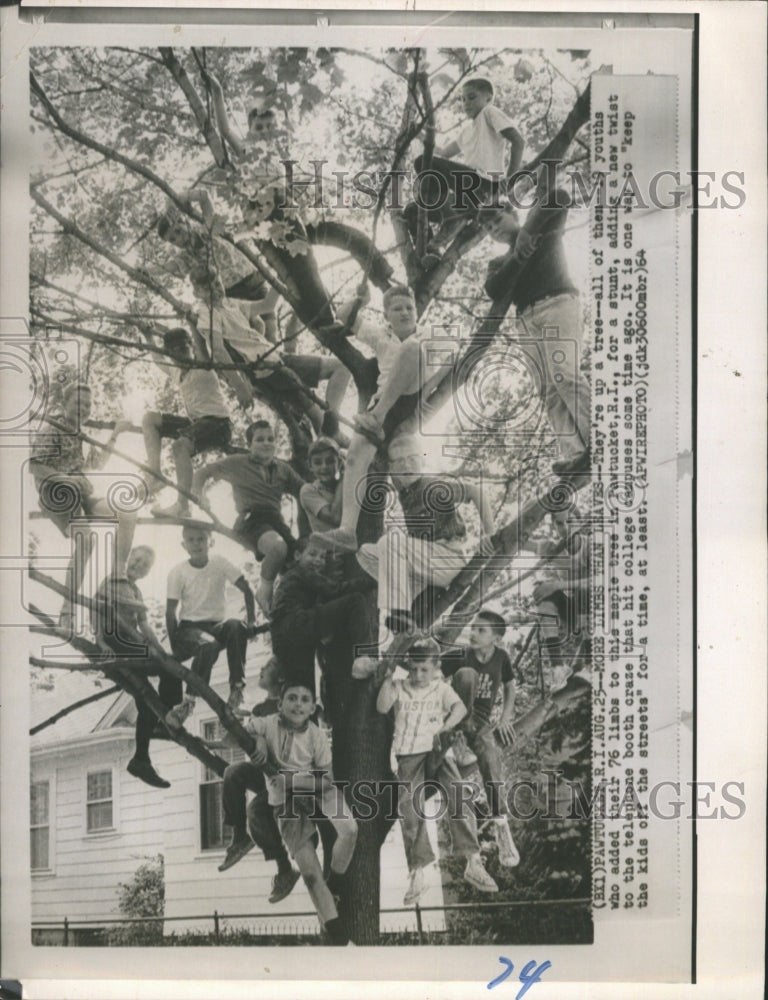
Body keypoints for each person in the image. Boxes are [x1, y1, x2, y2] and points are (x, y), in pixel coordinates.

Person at [323, 285, 454, 551]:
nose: (405, 312)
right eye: (398, 308)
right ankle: (347, 530)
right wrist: (359, 300)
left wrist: (428, 389)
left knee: (413, 349)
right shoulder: (381, 335)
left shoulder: (429, 334)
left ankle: (377, 418)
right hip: (381, 403)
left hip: (409, 396)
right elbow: (342, 314)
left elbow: (453, 354)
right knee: (355, 456)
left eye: (410, 307)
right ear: (387, 314)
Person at [376, 636, 499, 905]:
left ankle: (473, 860)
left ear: (435, 667)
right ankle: (417, 871)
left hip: (436, 747)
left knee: (457, 792)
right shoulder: (399, 685)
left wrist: (445, 729)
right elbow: (382, 706)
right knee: (409, 805)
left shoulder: (441, 688)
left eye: (425, 669)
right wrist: (389, 675)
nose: (419, 675)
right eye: (415, 668)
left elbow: (460, 708)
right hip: (407, 753)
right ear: (408, 665)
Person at [212, 655, 337, 902]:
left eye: (266, 667)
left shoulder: (301, 709)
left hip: (293, 781)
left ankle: (284, 867)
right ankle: (240, 836)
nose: (260, 669)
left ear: (279, 678)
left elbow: (312, 739)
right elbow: (245, 735)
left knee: (256, 812)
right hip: (266, 775)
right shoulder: (259, 710)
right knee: (232, 772)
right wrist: (254, 738)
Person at [484, 183, 590, 477]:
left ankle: (602, 439)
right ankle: (576, 455)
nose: (493, 228)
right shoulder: (499, 261)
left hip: (557, 303)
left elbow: (561, 197)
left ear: (512, 214)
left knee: (566, 375)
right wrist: (517, 255)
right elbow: (493, 288)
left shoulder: (542, 228)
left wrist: (528, 232)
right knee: (548, 390)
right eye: (488, 227)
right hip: (526, 321)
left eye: (497, 219)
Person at [243, 680, 358, 945]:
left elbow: (328, 780)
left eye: (305, 699)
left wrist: (293, 780)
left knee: (350, 829)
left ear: (312, 707)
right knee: (309, 874)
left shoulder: (316, 735)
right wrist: (258, 740)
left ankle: (336, 885)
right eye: (292, 698)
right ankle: (340, 940)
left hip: (314, 787)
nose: (298, 704)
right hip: (286, 800)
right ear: (280, 704)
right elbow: (243, 730)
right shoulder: (269, 722)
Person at [356, 435, 495, 637]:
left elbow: (475, 491)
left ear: (422, 461)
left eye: (412, 458)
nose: (407, 465)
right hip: (427, 563)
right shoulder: (405, 491)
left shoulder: (430, 485)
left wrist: (489, 533)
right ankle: (415, 592)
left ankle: (400, 611)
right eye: (400, 462)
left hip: (448, 557)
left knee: (390, 542)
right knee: (365, 552)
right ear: (393, 469)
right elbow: (391, 466)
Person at [30, 381, 136, 627]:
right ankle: (68, 609)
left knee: (127, 512)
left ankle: (119, 579)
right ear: (65, 404)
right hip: (56, 490)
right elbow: (34, 465)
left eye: (88, 404)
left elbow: (96, 465)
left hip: (80, 493)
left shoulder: (81, 436)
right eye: (78, 402)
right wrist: (67, 479)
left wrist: (115, 434)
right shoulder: (53, 429)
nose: (84, 408)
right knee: (87, 541)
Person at [191, 419, 307, 614]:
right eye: (259, 439)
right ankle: (264, 591)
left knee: (300, 563)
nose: (266, 443)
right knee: (278, 548)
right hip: (251, 519)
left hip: (275, 521)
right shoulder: (237, 462)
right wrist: (199, 494)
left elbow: (305, 490)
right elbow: (202, 473)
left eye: (270, 439)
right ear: (249, 445)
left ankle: (288, 609)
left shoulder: (282, 469)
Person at [91, 546, 181, 789]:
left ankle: (141, 759)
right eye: (137, 560)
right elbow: (96, 610)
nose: (139, 566)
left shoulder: (137, 591)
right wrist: (100, 642)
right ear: (128, 557)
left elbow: (144, 626)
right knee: (160, 679)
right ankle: (163, 722)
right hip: (113, 640)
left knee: (150, 699)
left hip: (131, 643)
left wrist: (162, 652)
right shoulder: (112, 580)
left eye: (145, 565)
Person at [404, 77, 524, 257]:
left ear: (488, 98)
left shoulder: (489, 113)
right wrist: (420, 135)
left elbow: (518, 141)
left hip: (483, 183)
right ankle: (431, 248)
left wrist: (511, 179)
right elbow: (442, 153)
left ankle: (453, 219)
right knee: (412, 210)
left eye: (472, 97)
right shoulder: (466, 132)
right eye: (463, 99)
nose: (466, 103)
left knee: (422, 163)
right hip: (467, 195)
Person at [440, 609, 523, 867]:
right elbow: (434, 676)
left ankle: (501, 825)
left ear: (496, 638)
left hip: (480, 724)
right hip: (454, 720)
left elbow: (510, 687)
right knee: (467, 675)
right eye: (473, 628)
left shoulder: (501, 658)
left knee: (490, 756)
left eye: (481, 630)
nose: (473, 633)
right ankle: (457, 742)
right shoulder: (460, 655)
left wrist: (506, 717)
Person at [163, 523, 257, 728]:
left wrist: (251, 620)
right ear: (183, 544)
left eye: (201, 539)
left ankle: (237, 690)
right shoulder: (178, 572)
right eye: (191, 540)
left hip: (216, 625)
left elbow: (246, 589)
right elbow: (171, 611)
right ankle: (187, 703)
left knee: (236, 625)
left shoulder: (220, 562)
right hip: (189, 629)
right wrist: (175, 647)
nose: (196, 544)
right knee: (209, 645)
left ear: (210, 541)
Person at [269, 535, 372, 714]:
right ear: (297, 556)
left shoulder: (291, 579)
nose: (318, 560)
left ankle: (303, 731)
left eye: (322, 557)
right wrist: (372, 580)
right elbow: (336, 590)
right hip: (295, 623)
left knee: (301, 690)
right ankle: (363, 657)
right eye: (312, 554)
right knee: (355, 600)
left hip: (282, 639)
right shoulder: (302, 572)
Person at [144, 328, 234, 518]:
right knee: (150, 419)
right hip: (197, 424)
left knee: (180, 446)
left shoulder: (202, 364)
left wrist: (192, 324)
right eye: (173, 352)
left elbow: (201, 344)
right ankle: (154, 475)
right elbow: (157, 358)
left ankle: (182, 506)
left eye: (183, 349)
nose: (180, 355)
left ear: (190, 347)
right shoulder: (176, 371)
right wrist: (148, 336)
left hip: (218, 423)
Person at [529, 506, 591, 688]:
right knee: (542, 592)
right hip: (576, 615)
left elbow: (602, 580)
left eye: (570, 522)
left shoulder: (593, 544)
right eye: (559, 523)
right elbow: (518, 541)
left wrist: (558, 584)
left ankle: (592, 663)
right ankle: (558, 666)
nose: (565, 528)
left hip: (602, 609)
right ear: (554, 526)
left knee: (583, 590)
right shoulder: (553, 549)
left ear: (579, 523)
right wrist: (533, 509)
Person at [299, 437, 343, 533]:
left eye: (330, 461)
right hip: (326, 546)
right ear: (310, 466)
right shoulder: (308, 490)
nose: (324, 466)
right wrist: (343, 480)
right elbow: (335, 518)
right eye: (318, 462)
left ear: (339, 463)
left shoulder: (346, 486)